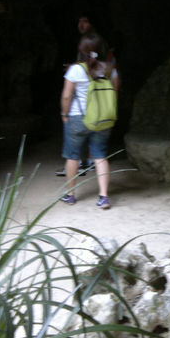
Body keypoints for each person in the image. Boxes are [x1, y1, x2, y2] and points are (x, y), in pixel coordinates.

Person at [59, 33, 120, 209]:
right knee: (100, 154)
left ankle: (70, 195)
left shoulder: (76, 70)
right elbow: (114, 95)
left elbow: (66, 96)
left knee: (73, 156)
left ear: (81, 50)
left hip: (79, 117)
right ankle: (104, 197)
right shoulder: (110, 70)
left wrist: (65, 114)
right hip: (102, 118)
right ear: (102, 49)